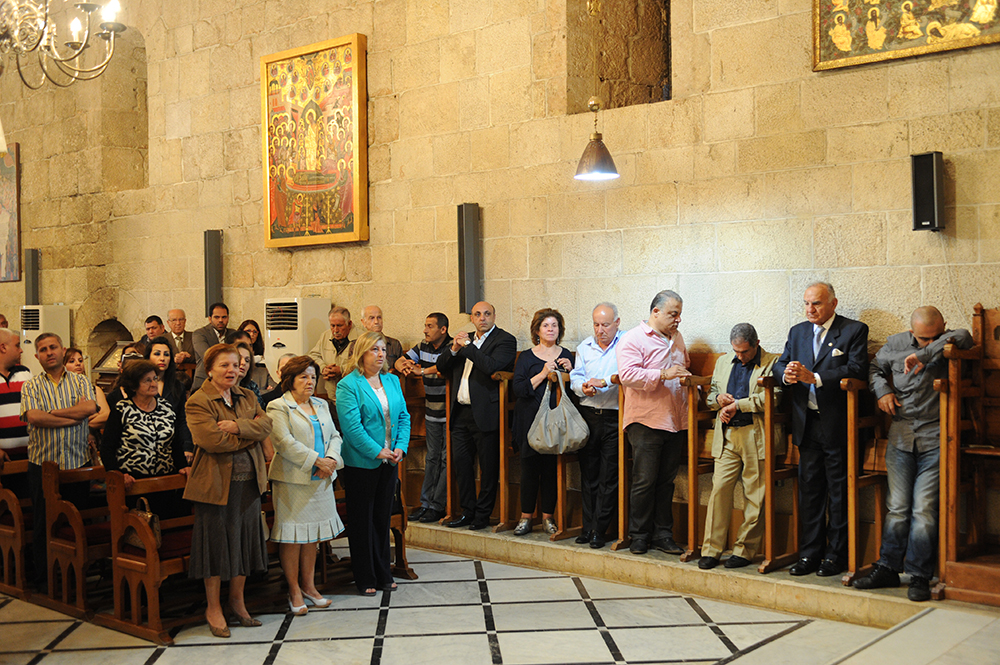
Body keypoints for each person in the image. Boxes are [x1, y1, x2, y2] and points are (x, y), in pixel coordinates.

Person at [852, 307, 972, 601]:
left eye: (933, 337)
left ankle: (919, 575)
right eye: (921, 339)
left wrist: (925, 353)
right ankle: (888, 568)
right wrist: (882, 391)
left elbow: (965, 336)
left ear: (943, 327)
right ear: (910, 331)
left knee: (924, 509)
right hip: (901, 434)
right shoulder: (895, 344)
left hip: (936, 436)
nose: (927, 341)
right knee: (897, 506)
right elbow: (874, 369)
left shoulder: (949, 341)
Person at [774, 282, 869, 577]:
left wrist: (814, 377)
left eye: (816, 303)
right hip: (807, 424)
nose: (810, 309)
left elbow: (857, 369)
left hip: (837, 423)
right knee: (810, 493)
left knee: (839, 493)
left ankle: (835, 556)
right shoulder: (798, 332)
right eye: (806, 303)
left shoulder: (853, 330)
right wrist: (787, 375)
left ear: (833, 303)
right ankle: (809, 554)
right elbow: (780, 364)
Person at [183, 343, 273, 638]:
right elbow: (212, 441)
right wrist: (249, 431)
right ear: (209, 369)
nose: (232, 370)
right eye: (225, 365)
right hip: (215, 486)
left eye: (236, 365)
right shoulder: (198, 401)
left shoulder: (247, 395)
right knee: (216, 547)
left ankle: (237, 601)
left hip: (249, 483)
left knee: (244, 543)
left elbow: (267, 425)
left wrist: (236, 426)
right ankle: (213, 608)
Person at [698, 324, 782, 570]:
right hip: (727, 434)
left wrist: (738, 405)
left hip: (756, 433)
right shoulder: (724, 362)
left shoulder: (772, 362)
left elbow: (774, 397)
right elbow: (711, 395)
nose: (740, 356)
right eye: (736, 351)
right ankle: (711, 550)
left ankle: (744, 550)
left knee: (755, 495)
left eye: (745, 351)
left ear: (757, 344)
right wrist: (719, 400)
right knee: (719, 491)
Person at [267, 356, 344, 614]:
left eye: (313, 376)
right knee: (293, 537)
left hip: (321, 479)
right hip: (293, 481)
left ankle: (309, 587)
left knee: (312, 536)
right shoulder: (278, 406)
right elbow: (283, 442)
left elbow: (335, 435)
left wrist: (330, 460)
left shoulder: (321, 404)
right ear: (290, 380)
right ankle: (294, 590)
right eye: (303, 377)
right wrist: (316, 461)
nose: (310, 381)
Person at [20, 333, 98, 589]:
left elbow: (89, 408)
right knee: (45, 522)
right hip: (43, 466)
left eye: (53, 347)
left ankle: (75, 577)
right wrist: (72, 418)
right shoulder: (31, 386)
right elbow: (35, 418)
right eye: (43, 350)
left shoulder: (80, 380)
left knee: (76, 522)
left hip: (77, 464)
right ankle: (46, 579)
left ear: (63, 350)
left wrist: (52, 413)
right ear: (37, 356)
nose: (49, 352)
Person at [617, 290, 691, 556]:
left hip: (676, 420)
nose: (678, 319)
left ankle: (663, 534)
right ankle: (638, 535)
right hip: (646, 420)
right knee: (644, 481)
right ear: (655, 312)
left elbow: (684, 366)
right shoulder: (633, 338)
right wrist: (662, 374)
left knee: (666, 482)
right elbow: (627, 375)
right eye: (673, 314)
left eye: (680, 314)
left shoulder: (677, 338)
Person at [336, 332, 410, 595]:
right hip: (362, 463)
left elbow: (404, 417)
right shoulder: (348, 385)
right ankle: (365, 576)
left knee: (382, 518)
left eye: (383, 350)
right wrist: (378, 451)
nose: (380, 354)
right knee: (362, 521)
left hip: (390, 461)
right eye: (374, 350)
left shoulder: (392, 380)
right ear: (361, 353)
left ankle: (383, 572)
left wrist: (400, 447)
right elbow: (352, 428)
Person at [436, 301, 517, 530]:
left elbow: (491, 366)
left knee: (488, 468)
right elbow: (442, 366)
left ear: (494, 316)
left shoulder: (505, 340)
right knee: (462, 465)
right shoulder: (464, 340)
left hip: (486, 412)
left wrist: (468, 346)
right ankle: (467, 512)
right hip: (460, 411)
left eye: (487, 314)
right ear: (471, 318)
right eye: (477, 314)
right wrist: (454, 348)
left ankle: (482, 516)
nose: (482, 318)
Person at [511, 309, 574, 537]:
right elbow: (519, 389)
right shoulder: (527, 357)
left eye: (554, 325)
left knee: (550, 470)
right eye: (546, 325)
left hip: (554, 421)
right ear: (537, 330)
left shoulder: (565, 355)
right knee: (529, 469)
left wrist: (571, 372)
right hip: (529, 419)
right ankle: (526, 517)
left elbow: (573, 391)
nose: (550, 329)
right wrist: (543, 372)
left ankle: (548, 517)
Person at [100, 360, 189, 517]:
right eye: (147, 380)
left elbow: (174, 442)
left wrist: (182, 466)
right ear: (134, 385)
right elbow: (107, 447)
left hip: (165, 479)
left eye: (155, 378)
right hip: (133, 482)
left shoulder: (166, 407)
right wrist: (119, 475)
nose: (153, 384)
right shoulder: (122, 409)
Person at [570, 303, 622, 549]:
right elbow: (576, 377)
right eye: (596, 325)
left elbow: (625, 374)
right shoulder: (585, 347)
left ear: (617, 323)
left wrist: (603, 383)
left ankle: (599, 530)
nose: (600, 330)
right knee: (588, 474)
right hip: (588, 415)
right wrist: (583, 387)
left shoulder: (626, 344)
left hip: (614, 416)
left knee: (608, 476)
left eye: (605, 325)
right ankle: (587, 527)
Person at [395, 312, 452, 524]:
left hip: (449, 413)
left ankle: (438, 505)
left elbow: (445, 367)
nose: (425, 330)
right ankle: (425, 503)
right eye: (425, 325)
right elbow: (401, 360)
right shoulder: (423, 346)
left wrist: (421, 371)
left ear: (443, 329)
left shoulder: (452, 347)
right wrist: (404, 365)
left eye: (430, 326)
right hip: (431, 411)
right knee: (431, 458)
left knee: (446, 459)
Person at [144, 337, 194, 463]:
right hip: (146, 446)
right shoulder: (140, 385)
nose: (162, 358)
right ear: (148, 357)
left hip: (173, 445)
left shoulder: (177, 386)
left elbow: (182, 419)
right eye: (157, 354)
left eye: (166, 355)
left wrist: (187, 446)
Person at [63, 347, 111, 463]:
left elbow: (106, 415)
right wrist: (93, 415)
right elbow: (63, 419)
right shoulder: (61, 392)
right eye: (72, 361)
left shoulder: (95, 389)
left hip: (94, 441)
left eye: (80, 360)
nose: (78, 364)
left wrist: (80, 422)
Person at [308, 306, 354, 402]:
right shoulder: (325, 335)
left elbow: (365, 365)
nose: (335, 330)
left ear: (349, 324)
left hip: (353, 397)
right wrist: (323, 368)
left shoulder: (361, 338)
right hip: (331, 396)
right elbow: (313, 355)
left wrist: (342, 370)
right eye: (332, 326)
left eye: (340, 326)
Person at [0, 328, 31, 468]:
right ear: (3, 347)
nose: (21, 350)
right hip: (3, 462)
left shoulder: (25, 373)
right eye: (17, 345)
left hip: (30, 457)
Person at [192, 303, 236, 391]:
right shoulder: (200, 334)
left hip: (228, 381)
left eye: (224, 317)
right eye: (216, 317)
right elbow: (207, 355)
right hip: (205, 379)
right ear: (210, 319)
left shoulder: (233, 334)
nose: (220, 320)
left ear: (228, 318)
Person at [352, 305, 404, 370]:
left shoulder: (394, 344)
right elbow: (353, 369)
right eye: (372, 318)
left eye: (379, 317)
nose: (376, 322)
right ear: (363, 322)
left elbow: (401, 368)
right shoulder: (356, 345)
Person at [238, 319, 275, 391]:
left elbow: (274, 389)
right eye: (248, 331)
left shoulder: (262, 367)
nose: (252, 334)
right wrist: (265, 391)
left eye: (255, 332)